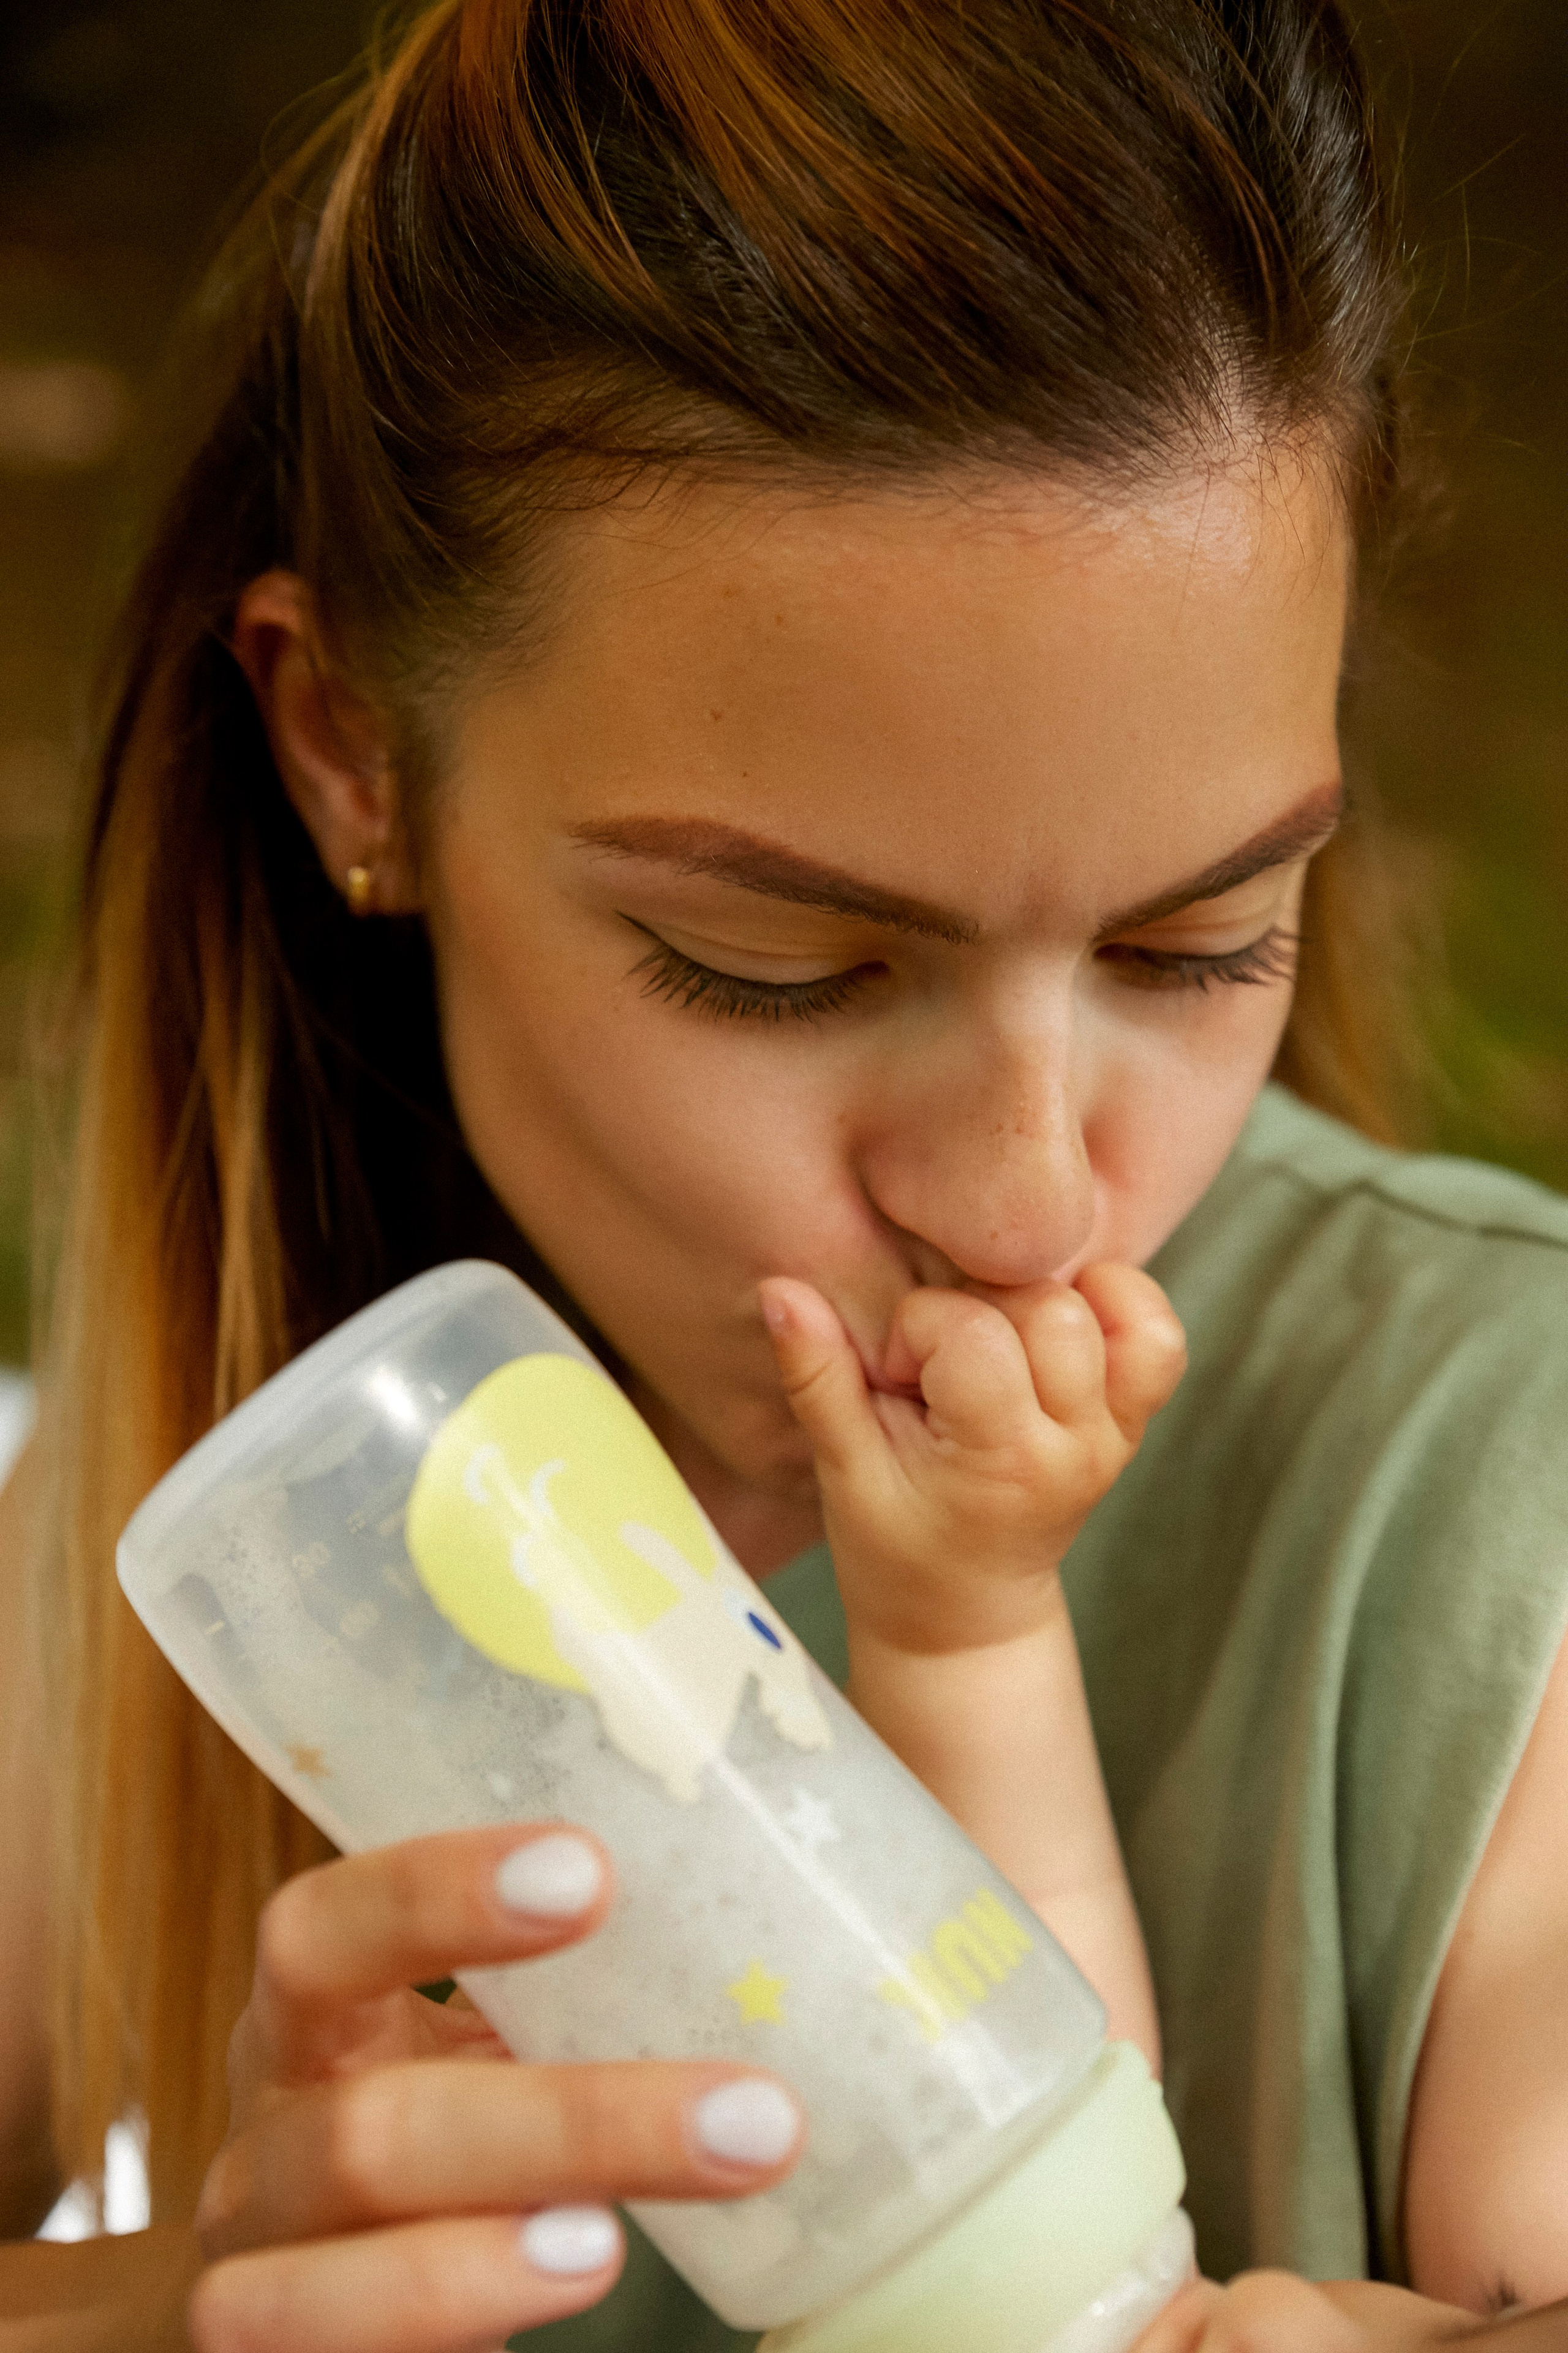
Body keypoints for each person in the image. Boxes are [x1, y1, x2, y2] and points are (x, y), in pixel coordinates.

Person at [4, 0, 1568, 2347]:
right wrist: (146, 2315)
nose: (1036, 1209)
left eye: (1202, 934)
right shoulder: (255, 1536)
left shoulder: (1490, 1499)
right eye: (778, 964)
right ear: (351, 758)